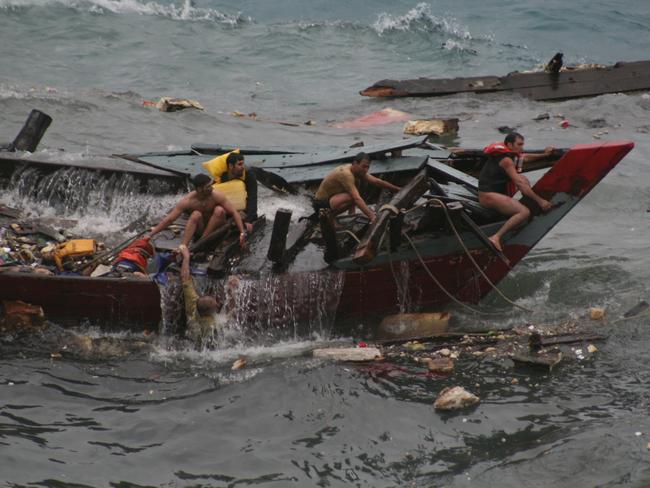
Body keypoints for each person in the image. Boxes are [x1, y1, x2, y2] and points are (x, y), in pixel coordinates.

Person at [478, 132, 554, 252]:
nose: (521, 148)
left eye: (522, 144)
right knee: (524, 212)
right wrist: (540, 201)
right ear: (509, 144)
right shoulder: (506, 160)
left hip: (492, 194)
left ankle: (525, 201)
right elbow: (519, 183)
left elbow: (525, 157)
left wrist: (544, 154)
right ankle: (495, 237)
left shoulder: (510, 155)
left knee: (524, 179)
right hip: (487, 196)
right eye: (519, 144)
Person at [148, 173, 247, 248]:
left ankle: (201, 242)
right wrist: (150, 234)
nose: (211, 188)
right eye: (208, 187)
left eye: (211, 185)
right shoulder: (188, 201)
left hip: (217, 228)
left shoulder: (216, 195)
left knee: (219, 210)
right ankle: (183, 247)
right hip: (201, 228)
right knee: (195, 214)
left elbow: (234, 212)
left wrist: (242, 232)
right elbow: (169, 219)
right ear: (199, 189)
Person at [313, 152, 401, 222]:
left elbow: (377, 181)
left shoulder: (358, 171)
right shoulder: (346, 174)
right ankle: (331, 217)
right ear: (355, 163)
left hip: (332, 199)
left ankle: (350, 214)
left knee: (356, 187)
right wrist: (372, 217)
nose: (365, 170)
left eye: (367, 167)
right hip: (321, 204)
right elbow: (357, 199)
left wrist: (397, 189)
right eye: (363, 166)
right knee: (354, 196)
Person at [179, 243, 222, 348]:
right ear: (210, 311)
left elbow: (184, 277)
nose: (217, 303)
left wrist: (186, 258)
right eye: (215, 304)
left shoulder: (193, 304)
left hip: (191, 339)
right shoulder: (213, 325)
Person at [217, 152, 257, 233]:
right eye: (239, 164)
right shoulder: (222, 178)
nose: (243, 167)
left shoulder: (249, 176)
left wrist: (249, 220)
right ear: (231, 166)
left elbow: (252, 198)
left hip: (244, 211)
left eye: (243, 164)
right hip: (227, 211)